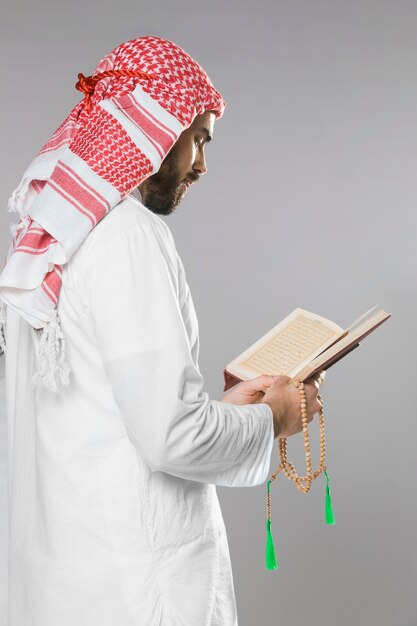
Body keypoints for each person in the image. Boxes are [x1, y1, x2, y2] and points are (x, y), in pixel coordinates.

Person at [0, 36, 321, 625]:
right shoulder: (127, 238)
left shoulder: (48, 242)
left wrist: (224, 408)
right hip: (135, 590)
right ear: (152, 126)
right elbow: (170, 438)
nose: (202, 164)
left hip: (63, 585)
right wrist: (276, 416)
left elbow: (110, 418)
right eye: (196, 137)